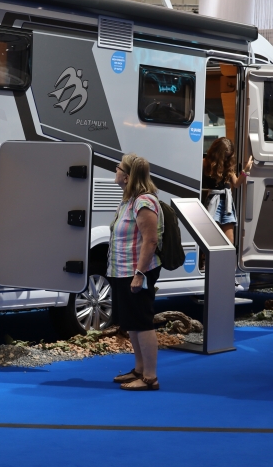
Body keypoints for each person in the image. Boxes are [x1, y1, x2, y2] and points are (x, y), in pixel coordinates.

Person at [107, 154, 164, 391]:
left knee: (142, 322)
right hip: (123, 271)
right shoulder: (129, 200)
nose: (116, 170)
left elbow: (150, 241)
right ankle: (139, 369)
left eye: (119, 168)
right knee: (133, 323)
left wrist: (139, 273)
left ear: (127, 176)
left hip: (137, 271)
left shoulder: (144, 202)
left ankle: (150, 377)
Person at [202, 137, 253, 245]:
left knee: (230, 241)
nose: (226, 159)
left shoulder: (227, 165)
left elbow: (236, 183)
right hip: (213, 202)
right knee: (211, 240)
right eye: (225, 156)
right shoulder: (205, 162)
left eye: (228, 156)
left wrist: (246, 170)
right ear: (218, 153)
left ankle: (225, 257)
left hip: (227, 203)